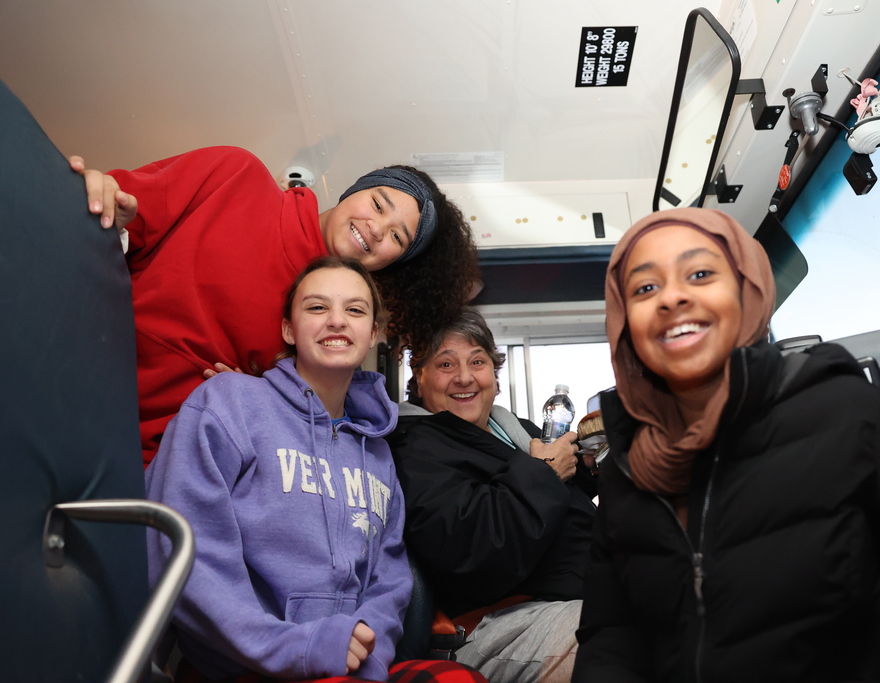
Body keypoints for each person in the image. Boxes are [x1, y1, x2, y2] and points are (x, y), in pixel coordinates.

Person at [572, 207, 880, 682]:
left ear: (747, 291)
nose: (672, 298)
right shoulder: (624, 473)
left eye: (700, 274)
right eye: (645, 288)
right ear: (625, 323)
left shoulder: (851, 416)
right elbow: (612, 635)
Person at [145, 256, 485, 683]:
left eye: (355, 310)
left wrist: (364, 655)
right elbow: (182, 552)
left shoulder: (378, 452)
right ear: (289, 329)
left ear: (373, 334)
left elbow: (391, 582)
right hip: (238, 665)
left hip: (347, 666)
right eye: (318, 307)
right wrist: (297, 648)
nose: (337, 321)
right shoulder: (229, 403)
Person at [71, 147, 478, 464]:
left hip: (150, 464)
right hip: (70, 371)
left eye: (397, 237)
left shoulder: (336, 336)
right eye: (377, 204)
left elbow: (284, 437)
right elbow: (115, 212)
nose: (376, 229)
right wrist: (102, 207)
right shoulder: (235, 174)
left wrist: (253, 401)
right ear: (355, 189)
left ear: (392, 263)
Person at [386, 308, 595, 683]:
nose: (464, 377)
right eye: (446, 364)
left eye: (477, 361)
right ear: (419, 378)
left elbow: (563, 503)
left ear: (494, 376)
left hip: (583, 593)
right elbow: (473, 547)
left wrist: (588, 469)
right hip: (496, 622)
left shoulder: (517, 429)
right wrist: (546, 472)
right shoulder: (413, 446)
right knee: (624, 635)